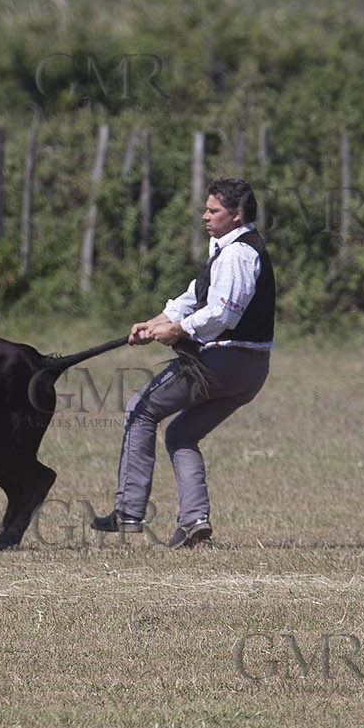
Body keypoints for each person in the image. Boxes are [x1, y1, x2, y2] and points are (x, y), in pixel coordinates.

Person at [91, 178, 274, 548]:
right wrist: (156, 322)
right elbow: (196, 295)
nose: (205, 216)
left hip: (224, 360)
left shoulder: (239, 254)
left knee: (141, 409)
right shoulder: (227, 248)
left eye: (213, 211)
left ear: (236, 216)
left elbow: (223, 314)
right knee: (181, 434)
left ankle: (128, 512)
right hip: (250, 371)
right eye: (206, 209)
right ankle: (194, 524)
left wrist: (177, 330)